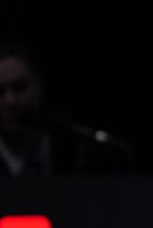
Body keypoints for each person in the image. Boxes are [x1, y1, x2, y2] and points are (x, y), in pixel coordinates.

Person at [0, 41, 131, 176]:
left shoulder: (85, 156)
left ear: (40, 86)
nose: (11, 101)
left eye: (20, 87)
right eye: (0, 91)